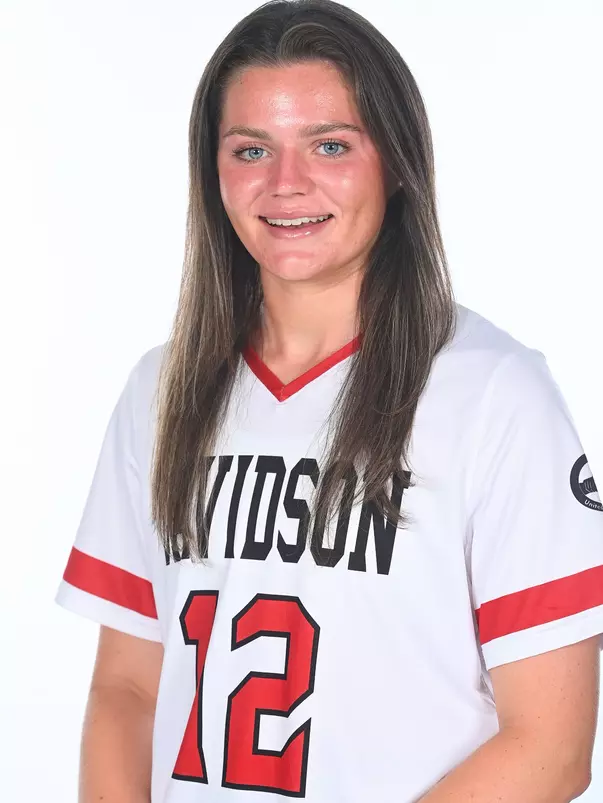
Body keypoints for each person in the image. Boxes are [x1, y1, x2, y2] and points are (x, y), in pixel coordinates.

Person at [55, 1, 603, 801]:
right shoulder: (162, 389)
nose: (285, 184)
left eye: (331, 145)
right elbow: (127, 690)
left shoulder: (493, 394)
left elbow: (550, 747)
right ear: (213, 172)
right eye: (250, 149)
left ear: (396, 161)